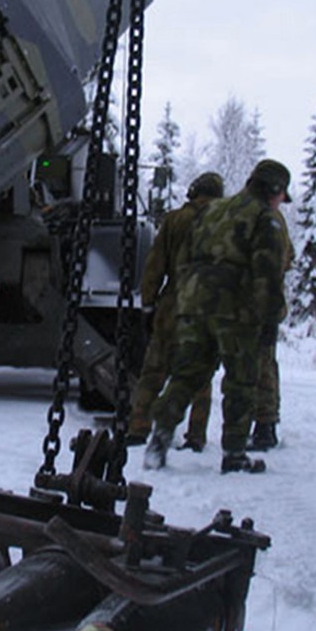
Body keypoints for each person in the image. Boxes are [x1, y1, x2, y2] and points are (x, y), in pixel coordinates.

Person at [143, 159, 292, 473]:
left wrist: (184, 300)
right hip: (235, 311)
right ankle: (234, 453)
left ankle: (159, 438)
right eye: (282, 196)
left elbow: (187, 257)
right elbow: (268, 274)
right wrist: (269, 320)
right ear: (274, 190)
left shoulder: (213, 210)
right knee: (240, 381)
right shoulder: (265, 219)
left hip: (194, 305)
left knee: (187, 375)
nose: (282, 202)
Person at [128, 172, 225, 449]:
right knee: (201, 376)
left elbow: (154, 266)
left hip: (172, 307)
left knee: (153, 371)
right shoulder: (223, 223)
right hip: (207, 308)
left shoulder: (173, 220)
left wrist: (148, 303)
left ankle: (139, 427)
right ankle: (195, 436)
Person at [247, 208, 294, 451]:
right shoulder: (276, 220)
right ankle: (264, 426)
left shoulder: (266, 220)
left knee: (262, 365)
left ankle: (265, 428)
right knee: (266, 364)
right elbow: (289, 258)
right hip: (268, 305)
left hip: (262, 306)